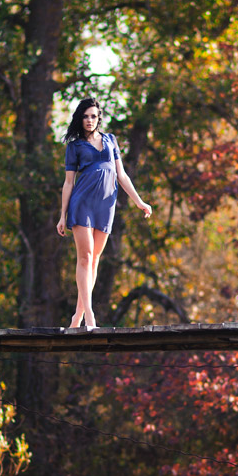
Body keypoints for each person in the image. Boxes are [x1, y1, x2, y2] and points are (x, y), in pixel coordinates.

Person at [56, 98, 152, 329]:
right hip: (82, 203)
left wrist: (139, 201)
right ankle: (89, 314)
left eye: (93, 116)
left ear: (99, 117)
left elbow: (122, 174)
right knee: (85, 257)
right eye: (85, 116)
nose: (89, 121)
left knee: (95, 259)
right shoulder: (75, 146)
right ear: (80, 119)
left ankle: (77, 316)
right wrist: (62, 215)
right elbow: (68, 183)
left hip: (105, 205)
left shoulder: (111, 140)